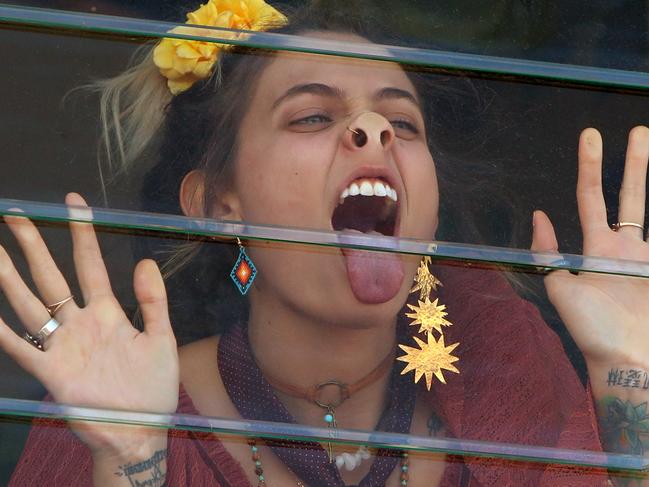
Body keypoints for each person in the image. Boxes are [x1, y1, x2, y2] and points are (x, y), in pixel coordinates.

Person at [1, 0, 649, 485]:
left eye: (401, 120)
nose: (373, 129)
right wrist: (128, 459)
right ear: (218, 205)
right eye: (312, 115)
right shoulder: (114, 403)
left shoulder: (506, 361)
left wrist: (629, 377)